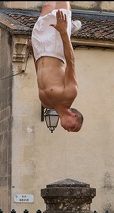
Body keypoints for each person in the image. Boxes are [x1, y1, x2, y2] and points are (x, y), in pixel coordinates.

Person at [28, 1, 84, 132]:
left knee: (47, 6)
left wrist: (33, 52)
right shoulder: (70, 94)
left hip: (40, 50)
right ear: (75, 116)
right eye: (74, 127)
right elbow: (71, 62)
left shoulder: (46, 103)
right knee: (61, 6)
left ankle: (71, 28)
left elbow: (39, 74)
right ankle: (69, 28)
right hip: (55, 48)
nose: (69, 130)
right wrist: (64, 32)